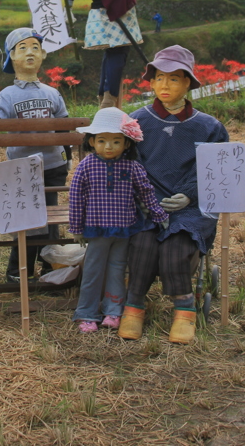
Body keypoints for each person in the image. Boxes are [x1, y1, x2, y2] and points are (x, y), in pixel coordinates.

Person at [119, 46, 229, 344]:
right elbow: (127, 165)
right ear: (151, 82)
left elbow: (214, 172)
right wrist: (144, 197)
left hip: (191, 209)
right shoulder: (134, 123)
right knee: (142, 243)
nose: (165, 86)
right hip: (145, 204)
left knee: (176, 248)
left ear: (189, 83)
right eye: (160, 78)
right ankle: (134, 306)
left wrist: (190, 196)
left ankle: (184, 308)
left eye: (175, 79)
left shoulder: (209, 128)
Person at [68, 108, 168, 332]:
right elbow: (76, 198)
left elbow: (146, 192)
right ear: (92, 142)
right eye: (102, 141)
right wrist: (76, 227)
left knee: (117, 269)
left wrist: (159, 215)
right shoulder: (86, 166)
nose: (109, 147)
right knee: (93, 271)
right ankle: (87, 313)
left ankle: (113, 310)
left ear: (127, 144)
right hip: (96, 229)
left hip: (124, 228)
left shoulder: (132, 167)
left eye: (116, 141)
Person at [0, 27, 69, 282]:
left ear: (42, 54)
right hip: (21, 168)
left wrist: (68, 158)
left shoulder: (52, 93)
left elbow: (64, 126)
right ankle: (18, 271)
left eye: (34, 47)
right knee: (25, 217)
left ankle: (51, 268)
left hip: (53, 165)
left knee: (50, 218)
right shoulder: (7, 95)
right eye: (22, 48)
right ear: (12, 57)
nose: (30, 53)